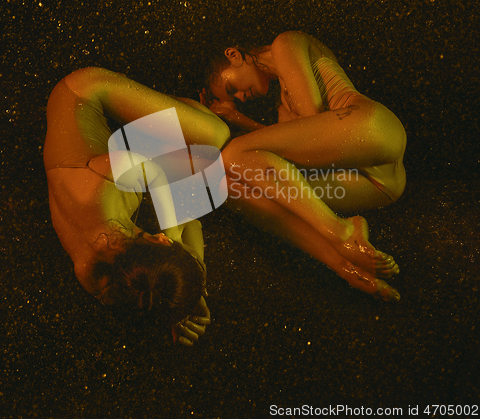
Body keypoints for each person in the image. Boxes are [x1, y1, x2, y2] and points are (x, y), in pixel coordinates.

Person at [200, 31, 406, 301]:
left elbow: (312, 116)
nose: (240, 96)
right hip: (381, 184)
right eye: (235, 97)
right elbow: (290, 155)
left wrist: (237, 121)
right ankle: (345, 266)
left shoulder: (284, 44)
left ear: (234, 55)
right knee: (232, 186)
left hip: (374, 130)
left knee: (231, 156)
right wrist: (237, 119)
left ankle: (341, 230)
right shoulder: (281, 104)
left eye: (231, 88)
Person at [44, 66, 230, 346]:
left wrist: (177, 238)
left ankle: (176, 110)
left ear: (161, 239)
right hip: (104, 156)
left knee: (215, 137)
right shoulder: (97, 279)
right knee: (194, 153)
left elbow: (166, 171)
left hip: (83, 93)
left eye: (170, 242)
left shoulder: (103, 188)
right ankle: (169, 112)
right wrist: (186, 296)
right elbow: (192, 221)